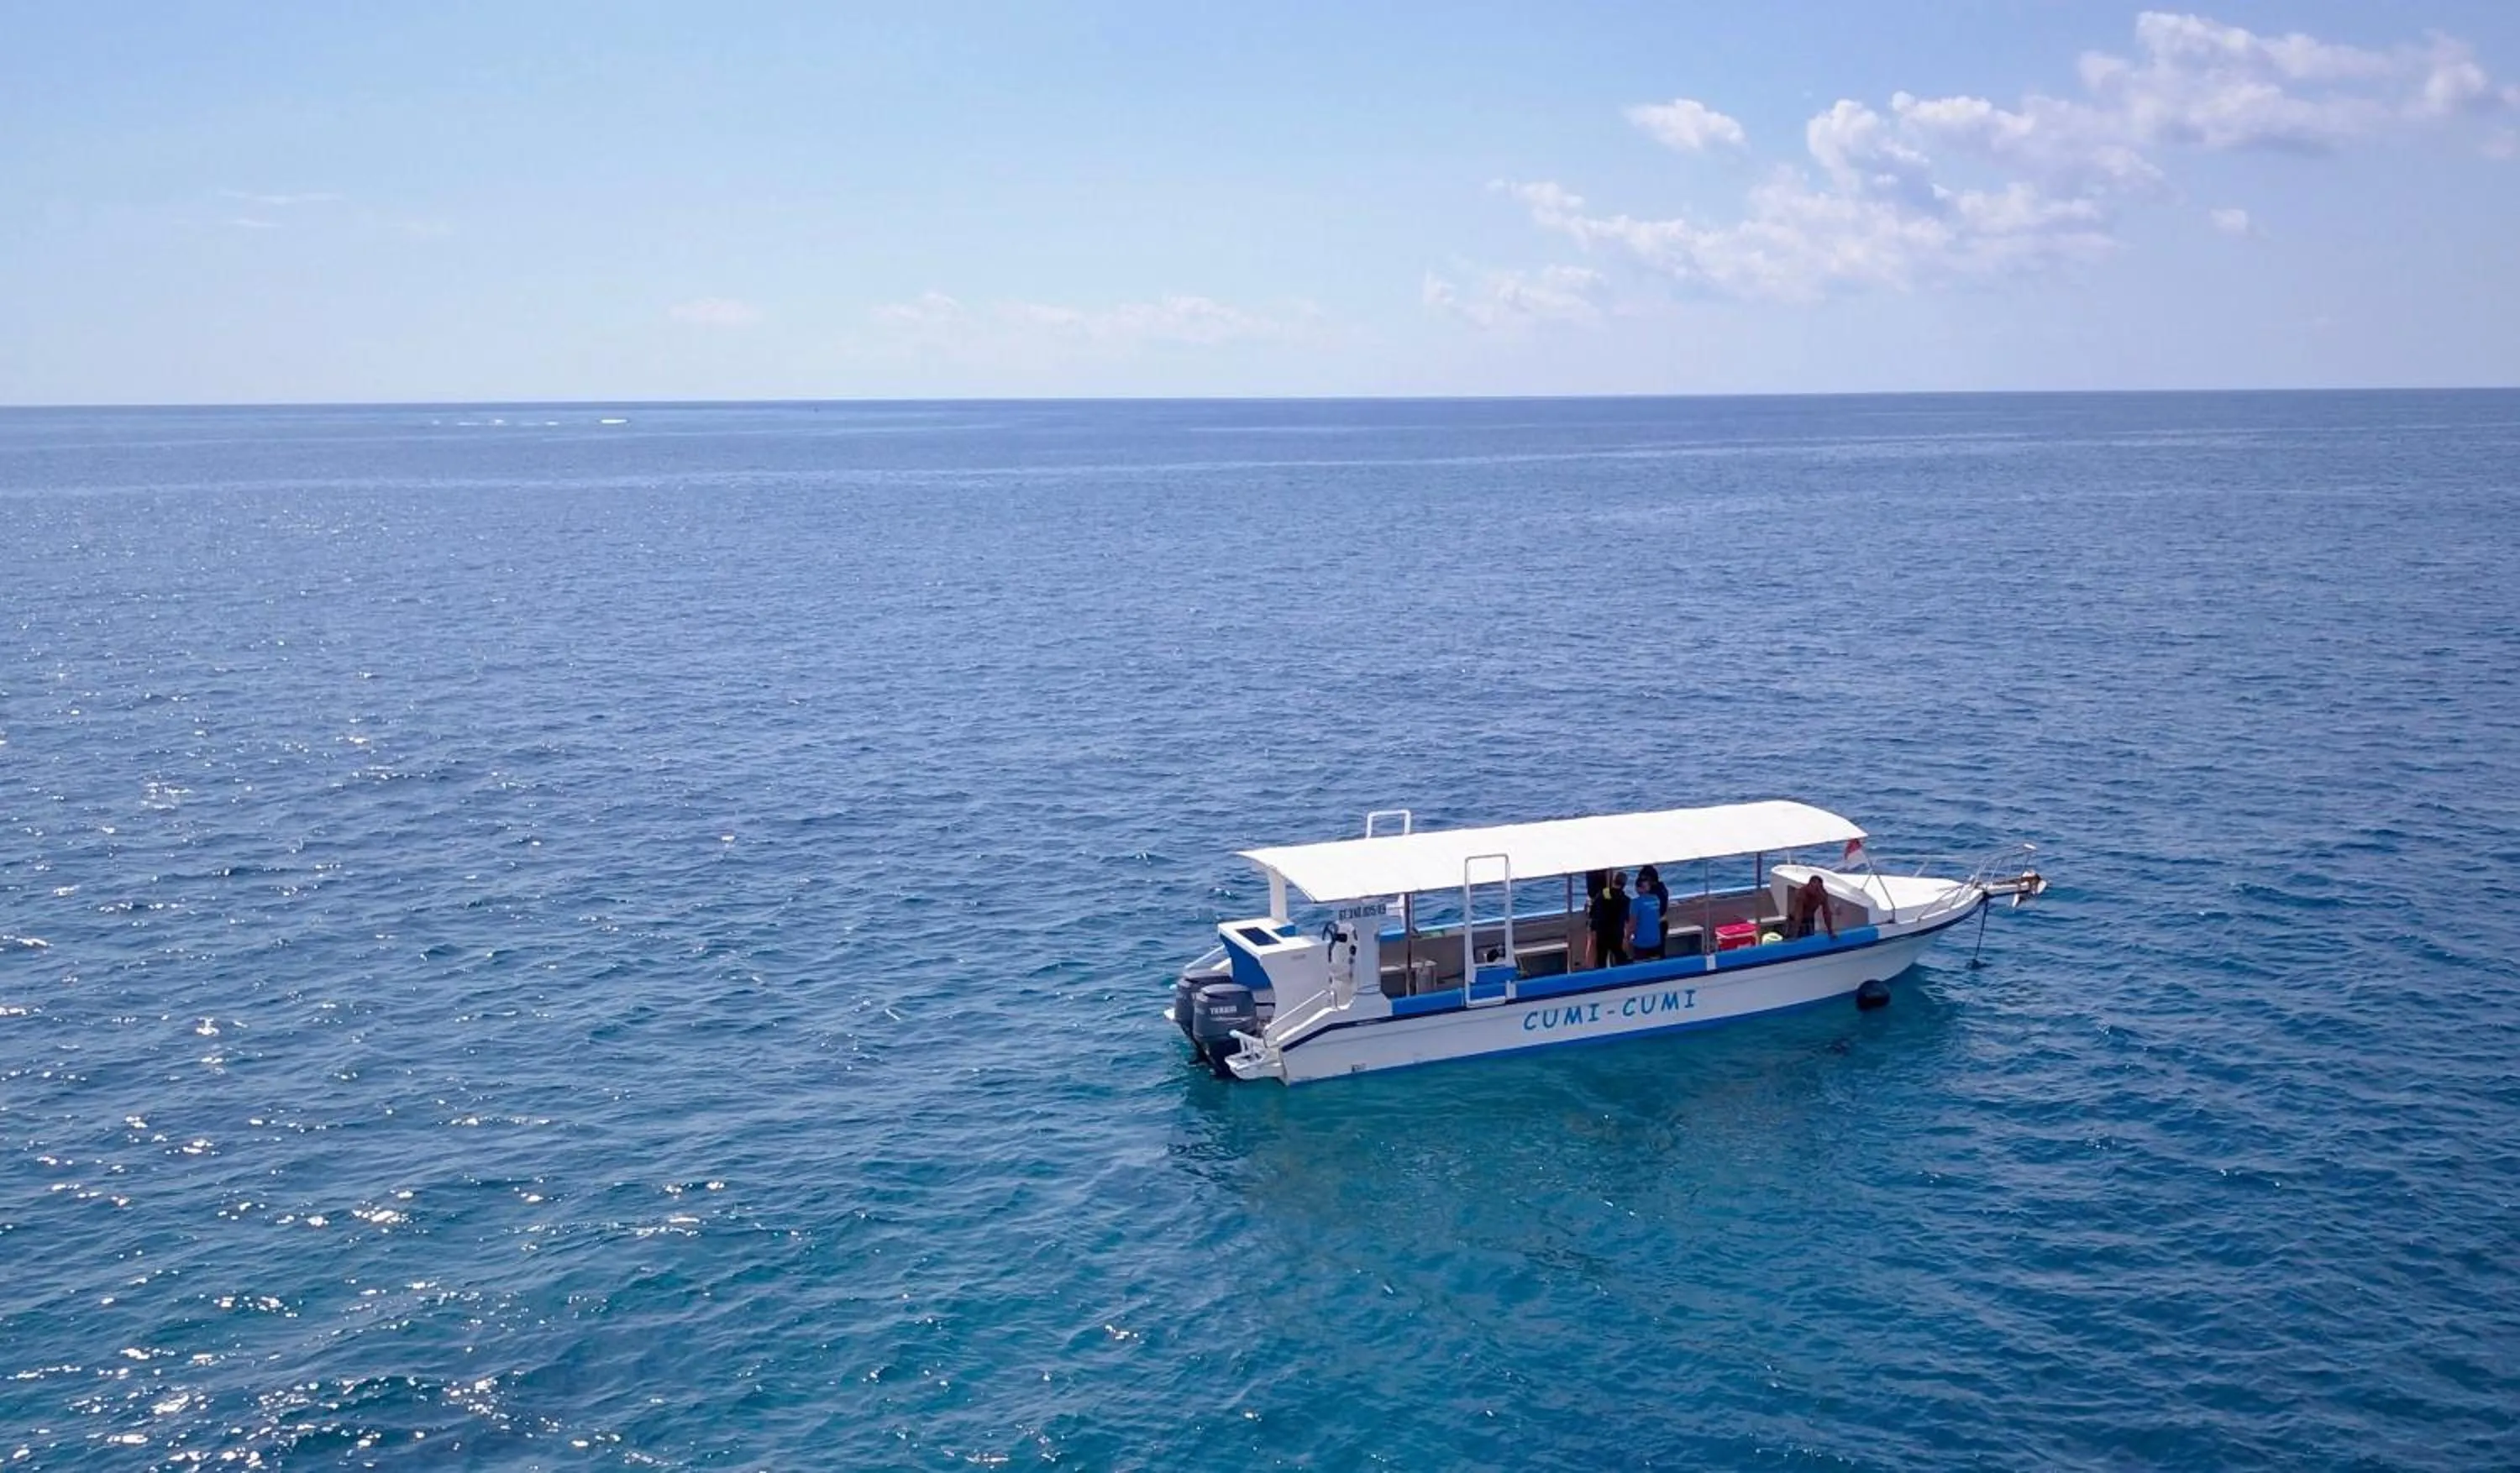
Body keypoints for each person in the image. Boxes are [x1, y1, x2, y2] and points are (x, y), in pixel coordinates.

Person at [1589, 870, 1631, 967]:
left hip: (1602, 933)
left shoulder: (1601, 895)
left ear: (1613, 881)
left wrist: (1593, 929)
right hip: (1616, 934)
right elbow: (1627, 919)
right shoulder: (1625, 900)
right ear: (1624, 885)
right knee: (1620, 957)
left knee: (1601, 959)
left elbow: (1592, 913)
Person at [1627, 864, 1667, 961]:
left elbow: (1634, 922)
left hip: (1653, 927)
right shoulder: (1661, 889)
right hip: (1660, 925)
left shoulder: (1641, 900)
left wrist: (1628, 936)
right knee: (1659, 954)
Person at [1788, 873, 1838, 941]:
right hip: (1795, 920)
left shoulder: (1822, 894)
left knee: (1809, 939)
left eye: (1819, 888)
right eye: (1815, 887)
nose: (1816, 890)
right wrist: (1794, 935)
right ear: (1809, 885)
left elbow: (1827, 913)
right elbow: (1798, 914)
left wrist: (1830, 931)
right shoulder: (1802, 894)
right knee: (1793, 939)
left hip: (1809, 919)